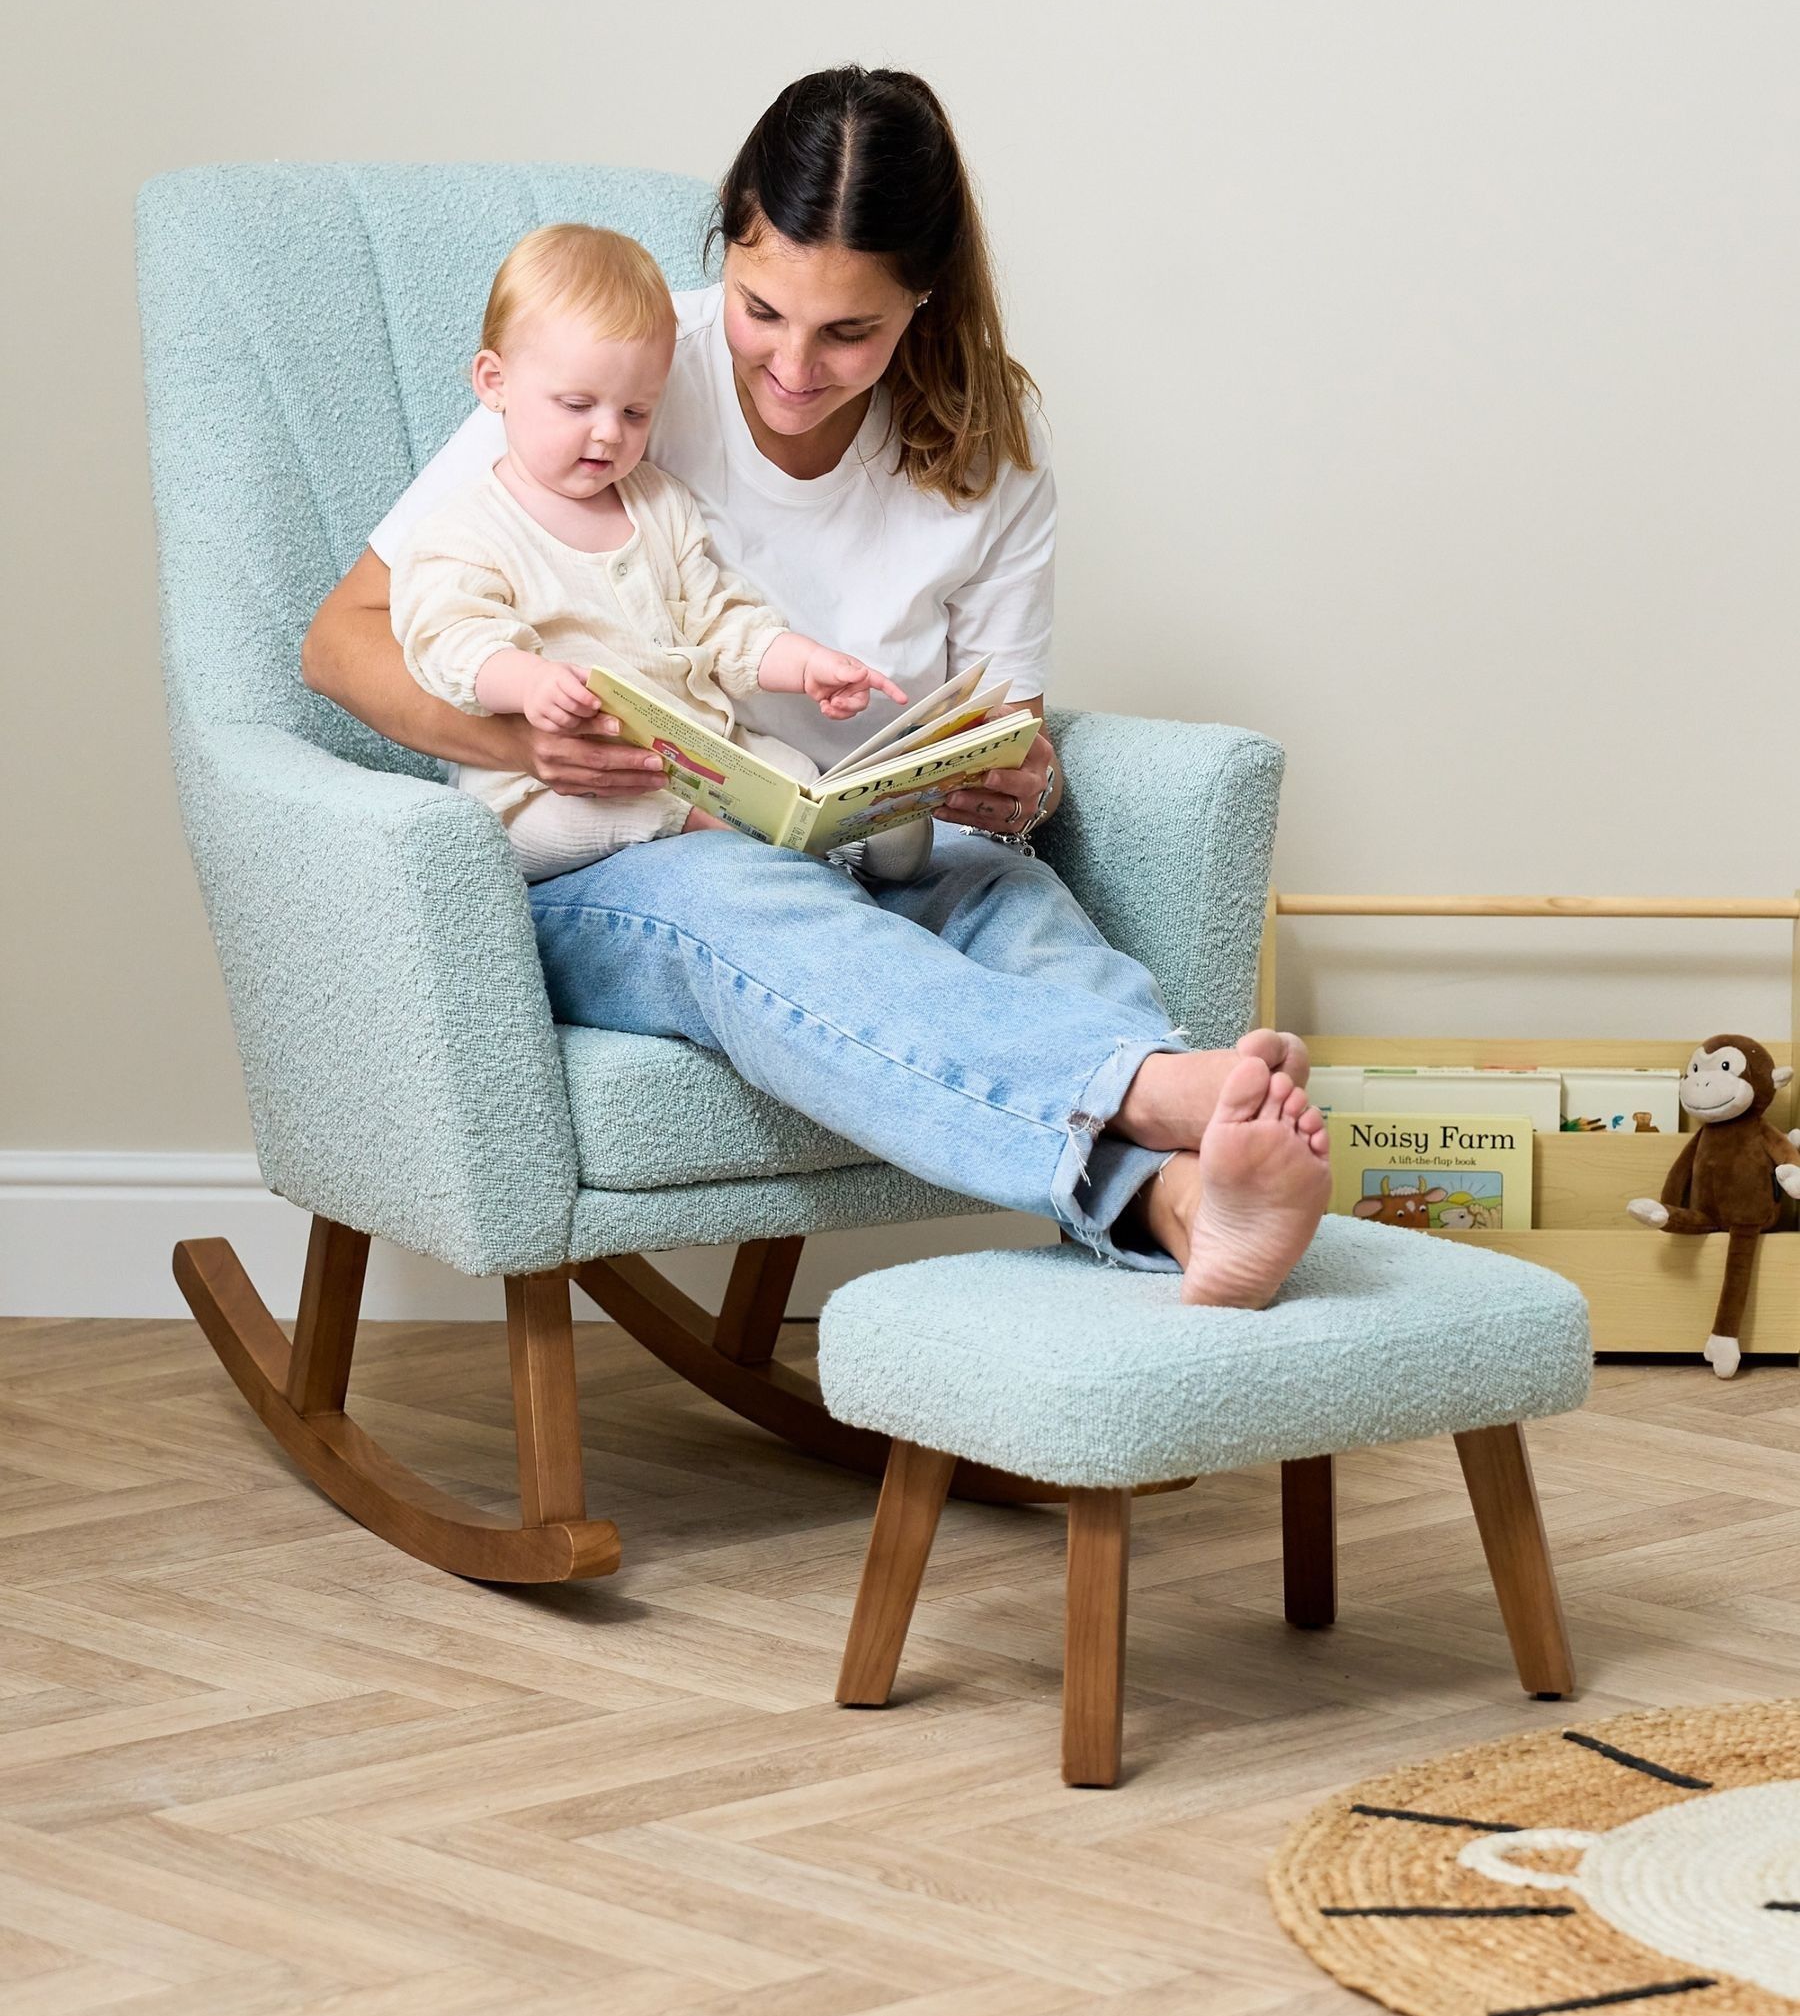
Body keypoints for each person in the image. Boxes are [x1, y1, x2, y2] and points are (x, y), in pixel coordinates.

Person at [303, 65, 1329, 1307]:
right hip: (631, 852)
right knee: (747, 897)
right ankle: (1154, 1081)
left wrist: (1015, 773)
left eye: (851, 332)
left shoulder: (987, 438)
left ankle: (1178, 1199)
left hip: (863, 834)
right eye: (759, 309)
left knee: (1013, 898)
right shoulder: (615, 375)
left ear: (923, 305)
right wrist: (528, 744)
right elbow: (345, 638)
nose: (792, 367)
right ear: (727, 242)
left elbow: (995, 720)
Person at [391, 220, 904, 881]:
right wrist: (526, 681)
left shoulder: (657, 504)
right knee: (541, 823)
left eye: (636, 413)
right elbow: (446, 639)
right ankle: (717, 831)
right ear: (494, 381)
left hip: (696, 755)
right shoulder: (466, 528)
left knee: (790, 772)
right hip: (553, 786)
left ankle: (854, 834)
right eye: (577, 405)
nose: (608, 434)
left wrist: (804, 664)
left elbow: (720, 619)